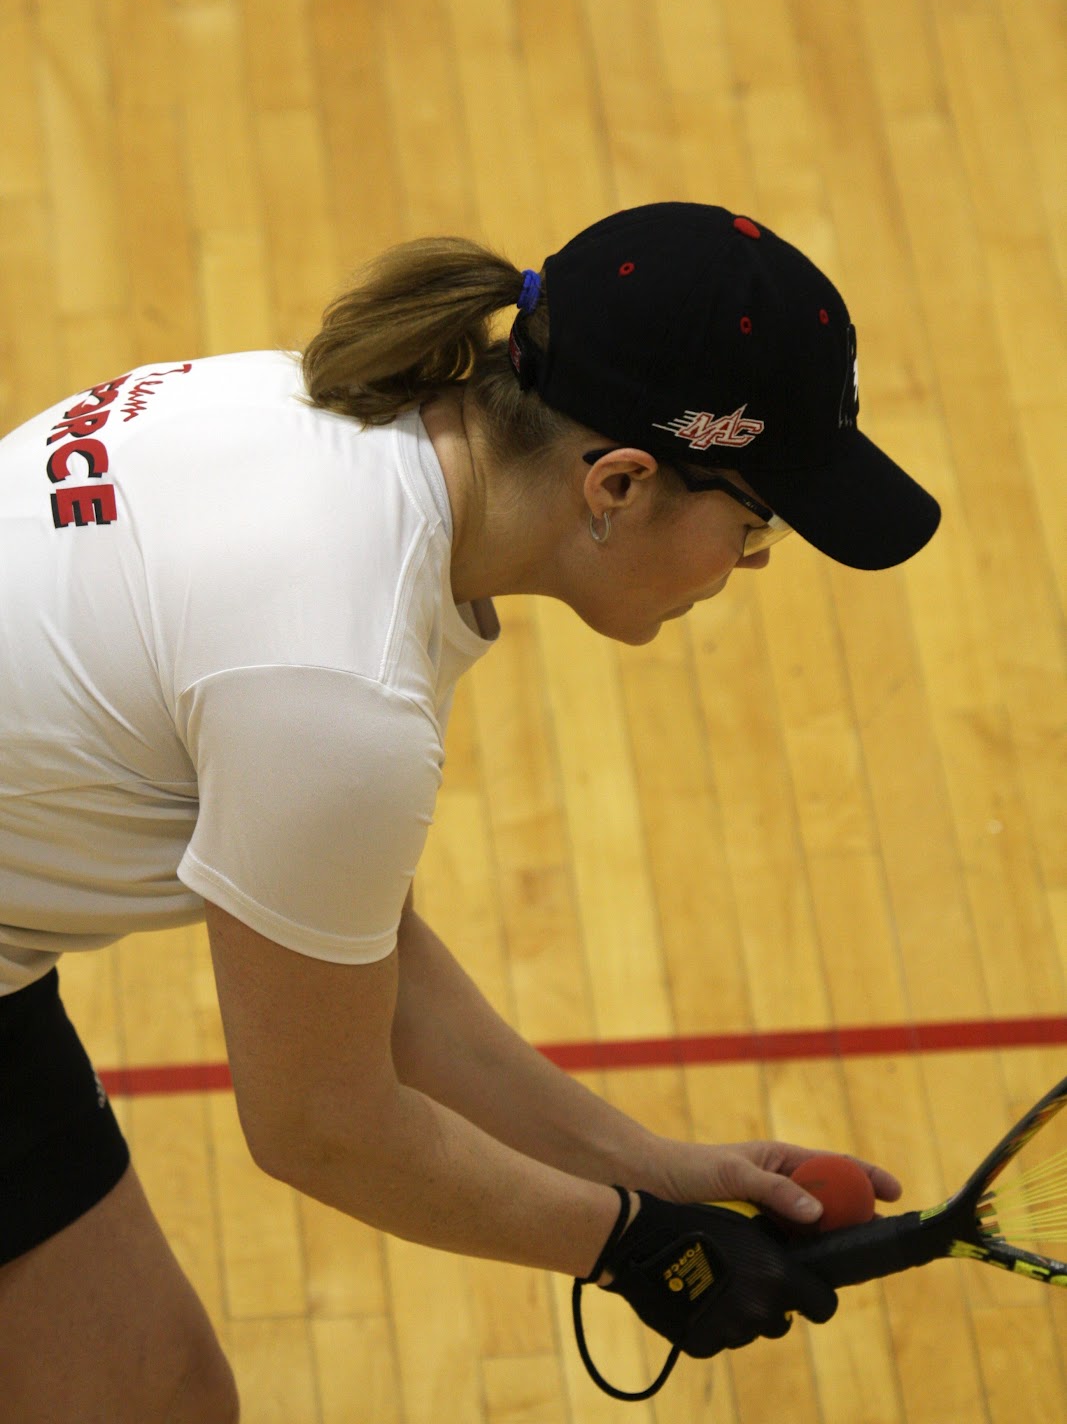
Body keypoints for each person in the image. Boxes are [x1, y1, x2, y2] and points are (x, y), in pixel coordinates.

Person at [0, 203, 937, 1420]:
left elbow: (360, 965)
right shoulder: (339, 683)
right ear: (617, 481)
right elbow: (321, 1124)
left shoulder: (317, 428)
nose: (744, 566)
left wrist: (649, 1174)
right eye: (753, 526)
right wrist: (632, 1246)